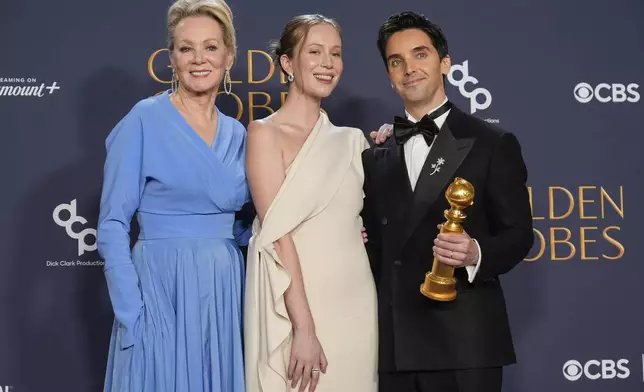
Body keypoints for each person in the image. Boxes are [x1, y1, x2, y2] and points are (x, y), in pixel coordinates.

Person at [361, 11, 534, 392]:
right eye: (396, 61)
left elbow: (520, 234)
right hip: (393, 346)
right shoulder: (375, 155)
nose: (409, 68)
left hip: (464, 346)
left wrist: (475, 253)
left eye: (420, 54)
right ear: (389, 76)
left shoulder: (491, 143)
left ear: (445, 63)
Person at [97, 1, 251, 390]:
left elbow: (242, 224)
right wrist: (132, 312)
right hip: (160, 289)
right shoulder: (144, 119)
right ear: (172, 58)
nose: (199, 59)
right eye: (186, 48)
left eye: (211, 47)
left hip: (223, 291)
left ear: (229, 56)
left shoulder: (238, 133)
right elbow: (113, 223)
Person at [243, 14, 379, 392]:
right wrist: (303, 326)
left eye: (335, 54)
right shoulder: (263, 133)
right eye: (314, 51)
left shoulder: (354, 141)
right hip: (297, 304)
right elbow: (278, 234)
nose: (327, 63)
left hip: (355, 299)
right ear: (287, 63)